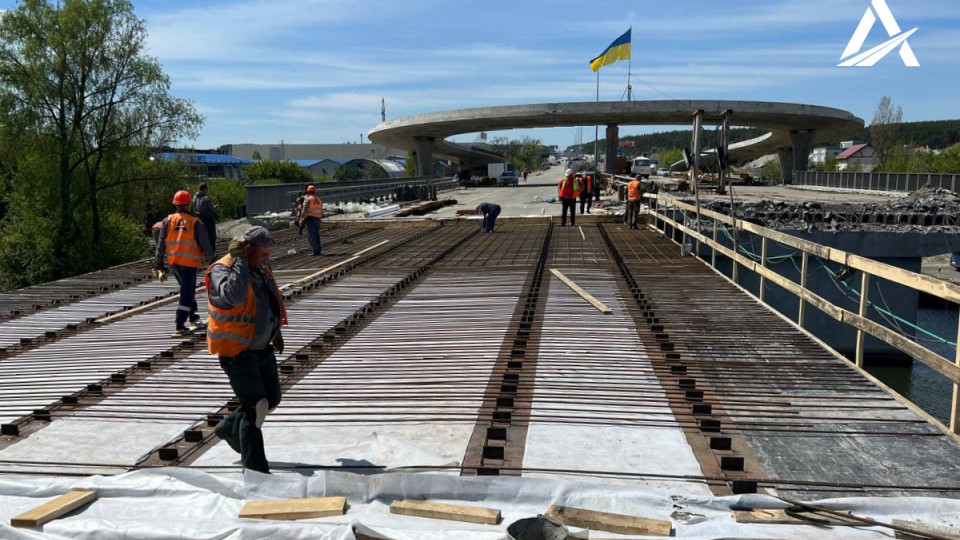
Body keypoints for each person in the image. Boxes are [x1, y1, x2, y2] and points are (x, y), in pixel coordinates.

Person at [206, 226, 287, 474]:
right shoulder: (222, 270)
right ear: (248, 250)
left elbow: (268, 300)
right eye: (263, 254)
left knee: (272, 399)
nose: (267, 259)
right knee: (255, 407)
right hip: (237, 351)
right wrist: (240, 260)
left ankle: (230, 427)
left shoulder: (259, 268)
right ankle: (256, 472)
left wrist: (275, 331)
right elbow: (233, 297)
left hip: (262, 349)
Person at [154, 190, 214, 334]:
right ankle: (180, 325)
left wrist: (158, 265)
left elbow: (160, 245)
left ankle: (192, 315)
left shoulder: (167, 221)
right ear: (189, 204)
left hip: (174, 262)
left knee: (186, 289)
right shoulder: (196, 223)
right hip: (189, 263)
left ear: (175, 205)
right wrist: (213, 263)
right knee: (187, 292)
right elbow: (206, 246)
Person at [298, 185, 324, 255]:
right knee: (317, 235)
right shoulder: (319, 199)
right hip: (317, 219)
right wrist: (320, 219)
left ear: (308, 192)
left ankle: (315, 251)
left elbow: (304, 210)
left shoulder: (308, 199)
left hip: (310, 219)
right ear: (314, 191)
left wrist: (301, 219)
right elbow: (321, 210)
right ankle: (318, 250)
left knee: (312, 236)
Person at [193, 182, 217, 254]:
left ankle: (201, 250)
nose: (208, 190)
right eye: (207, 189)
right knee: (211, 235)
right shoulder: (206, 198)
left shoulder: (194, 197)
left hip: (198, 218)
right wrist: (215, 207)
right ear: (204, 189)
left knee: (201, 235)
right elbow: (211, 209)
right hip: (208, 218)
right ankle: (212, 251)